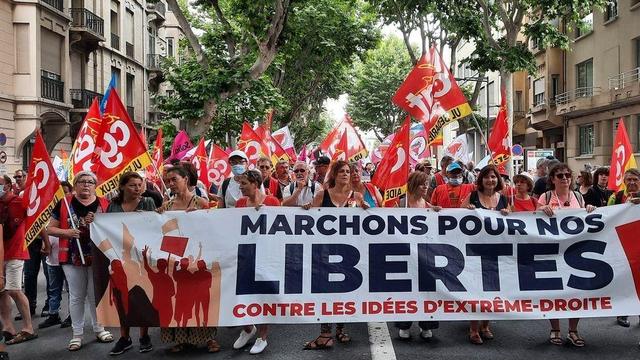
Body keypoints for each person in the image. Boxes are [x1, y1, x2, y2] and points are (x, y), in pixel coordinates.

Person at [303, 160, 368, 350]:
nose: (346, 174)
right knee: (325, 291)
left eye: (348, 171)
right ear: (334, 174)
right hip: (325, 253)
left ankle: (340, 329)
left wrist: (365, 207)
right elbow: (309, 220)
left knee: (343, 291)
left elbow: (369, 213)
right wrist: (308, 209)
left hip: (348, 254)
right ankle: (325, 333)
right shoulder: (322, 195)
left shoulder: (356, 196)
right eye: (342, 171)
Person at [46, 171, 114, 351]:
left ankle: (99, 328)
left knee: (94, 294)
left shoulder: (105, 203)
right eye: (82, 181)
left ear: (95, 185)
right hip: (71, 256)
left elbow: (114, 228)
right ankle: (77, 334)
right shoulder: (64, 203)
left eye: (90, 182)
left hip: (98, 255)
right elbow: (50, 229)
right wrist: (66, 233)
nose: (86, 185)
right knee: (76, 296)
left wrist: (98, 221)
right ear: (75, 185)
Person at [158, 166, 218, 353]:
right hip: (176, 262)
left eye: (174, 179)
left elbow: (214, 231)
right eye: (168, 181)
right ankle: (182, 339)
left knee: (200, 298)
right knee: (180, 300)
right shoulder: (166, 207)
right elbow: (160, 234)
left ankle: (209, 339)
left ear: (185, 179)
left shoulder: (201, 203)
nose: (171, 184)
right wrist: (157, 218)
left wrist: (201, 218)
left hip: (198, 261)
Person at [538, 163, 596, 347]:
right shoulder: (545, 197)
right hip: (551, 253)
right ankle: (555, 328)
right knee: (553, 291)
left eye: (567, 175)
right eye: (560, 175)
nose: (564, 178)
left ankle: (573, 330)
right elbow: (531, 219)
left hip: (574, 252)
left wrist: (590, 210)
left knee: (576, 291)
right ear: (552, 179)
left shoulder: (578, 196)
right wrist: (541, 210)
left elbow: (587, 219)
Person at [106, 172, 157, 356]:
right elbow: (105, 229)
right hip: (119, 259)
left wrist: (150, 218)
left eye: (139, 185)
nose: (137, 189)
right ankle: (124, 337)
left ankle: (144, 336)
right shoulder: (113, 205)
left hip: (142, 258)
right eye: (132, 185)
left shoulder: (148, 202)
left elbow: (156, 228)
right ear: (122, 187)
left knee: (142, 297)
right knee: (122, 298)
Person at [461, 165, 510, 345]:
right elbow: (456, 216)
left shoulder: (503, 199)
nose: (491, 180)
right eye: (487, 177)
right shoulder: (473, 196)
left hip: (496, 252)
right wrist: (467, 209)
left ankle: (485, 325)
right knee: (476, 290)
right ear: (481, 180)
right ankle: (473, 328)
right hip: (474, 251)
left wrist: (508, 213)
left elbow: (513, 224)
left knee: (492, 289)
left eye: (494, 177)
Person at [232, 170, 279, 354]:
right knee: (240, 294)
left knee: (262, 296)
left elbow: (280, 228)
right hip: (245, 255)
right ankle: (247, 329)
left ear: (255, 183)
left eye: (244, 183)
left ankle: (262, 337)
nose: (241, 187)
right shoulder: (239, 203)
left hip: (266, 256)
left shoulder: (273, 202)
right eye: (240, 184)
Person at [395, 171, 438, 340]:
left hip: (424, 255)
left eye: (426, 183)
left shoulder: (428, 205)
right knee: (406, 291)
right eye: (421, 184)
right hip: (405, 254)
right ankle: (404, 325)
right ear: (413, 185)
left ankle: (426, 325)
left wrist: (437, 213)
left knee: (426, 291)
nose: (425, 186)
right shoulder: (400, 203)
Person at [0, 175, 37, 345]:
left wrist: (44, 241)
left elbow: (36, 218)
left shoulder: (19, 201)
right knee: (1, 291)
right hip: (1, 253)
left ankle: (28, 328)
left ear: (8, 185)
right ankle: (8, 327)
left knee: (14, 289)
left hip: (16, 251)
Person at [607, 168, 640, 328]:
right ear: (624, 182)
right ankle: (623, 313)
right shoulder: (616, 197)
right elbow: (606, 215)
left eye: (635, 179)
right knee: (624, 278)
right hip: (622, 245)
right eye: (629, 180)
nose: (632, 183)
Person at [39, 182, 73, 329]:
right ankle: (53, 314)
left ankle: (73, 316)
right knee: (54, 288)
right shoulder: (49, 209)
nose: (62, 196)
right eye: (58, 193)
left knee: (72, 289)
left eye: (65, 192)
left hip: (67, 257)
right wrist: (45, 243)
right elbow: (43, 227)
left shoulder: (72, 210)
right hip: (52, 257)